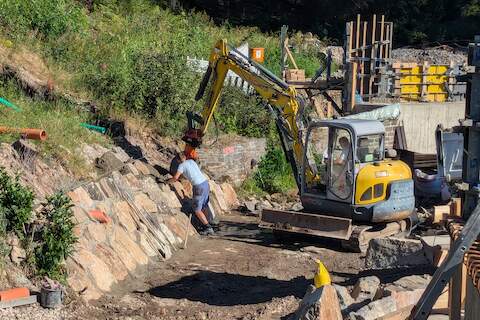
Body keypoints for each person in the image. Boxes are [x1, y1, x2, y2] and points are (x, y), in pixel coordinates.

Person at [168, 152, 214, 236]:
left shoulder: (181, 165)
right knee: (203, 205)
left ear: (178, 160)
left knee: (197, 209)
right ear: (185, 157)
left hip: (198, 186)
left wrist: (167, 181)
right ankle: (206, 222)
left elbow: (175, 178)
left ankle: (208, 227)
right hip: (205, 183)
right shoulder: (191, 162)